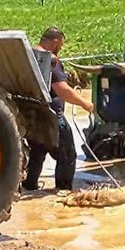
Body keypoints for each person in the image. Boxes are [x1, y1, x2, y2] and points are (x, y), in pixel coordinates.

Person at [24, 27, 94, 192]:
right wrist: (85, 104)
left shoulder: (27, 56)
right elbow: (63, 90)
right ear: (55, 41)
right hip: (53, 116)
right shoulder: (50, 60)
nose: (60, 48)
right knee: (67, 154)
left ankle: (29, 186)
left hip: (32, 115)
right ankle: (63, 190)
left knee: (37, 151)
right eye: (60, 44)